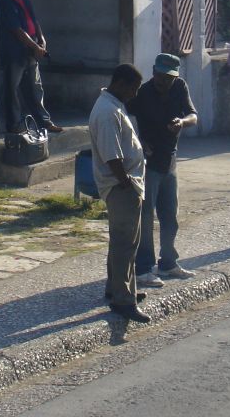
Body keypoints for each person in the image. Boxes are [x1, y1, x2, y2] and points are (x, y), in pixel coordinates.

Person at [127, 53, 198, 288]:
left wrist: (182, 122)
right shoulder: (143, 92)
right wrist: (138, 141)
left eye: (167, 77)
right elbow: (123, 118)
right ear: (154, 72)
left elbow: (193, 115)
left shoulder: (180, 87)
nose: (162, 81)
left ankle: (168, 263)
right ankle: (144, 268)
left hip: (170, 158)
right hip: (148, 161)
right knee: (146, 218)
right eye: (159, 76)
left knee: (170, 216)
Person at [88, 63, 150, 323]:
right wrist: (126, 182)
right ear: (121, 84)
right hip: (120, 186)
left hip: (127, 183)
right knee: (125, 242)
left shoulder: (114, 105)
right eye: (133, 89)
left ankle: (118, 287)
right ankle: (123, 300)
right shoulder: (106, 111)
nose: (135, 94)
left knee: (124, 241)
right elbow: (111, 155)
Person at [0, 0, 62, 134]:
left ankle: (44, 122)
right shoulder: (6, 2)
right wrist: (35, 47)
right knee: (12, 89)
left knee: (35, 87)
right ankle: (14, 125)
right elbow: (17, 30)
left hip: (32, 47)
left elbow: (34, 20)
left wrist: (41, 39)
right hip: (15, 51)